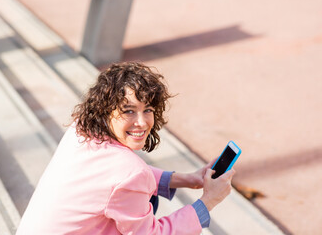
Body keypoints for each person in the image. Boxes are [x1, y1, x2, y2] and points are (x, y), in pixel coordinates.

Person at [16, 62, 235, 234]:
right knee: (148, 200)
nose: (141, 122)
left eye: (148, 109)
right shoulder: (129, 172)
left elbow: (120, 179)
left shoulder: (81, 130)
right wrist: (209, 201)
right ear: (105, 110)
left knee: (150, 196)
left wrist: (189, 179)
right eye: (128, 111)